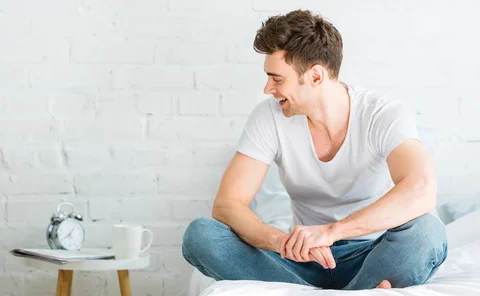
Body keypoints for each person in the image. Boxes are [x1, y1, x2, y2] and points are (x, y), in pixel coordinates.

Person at [181, 9, 447, 290]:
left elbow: (421, 188)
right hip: (301, 261)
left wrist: (331, 233)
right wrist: (283, 243)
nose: (268, 88)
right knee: (201, 235)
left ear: (316, 77)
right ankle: (357, 291)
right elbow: (227, 204)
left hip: (372, 254)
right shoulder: (268, 117)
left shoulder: (383, 114)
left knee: (426, 233)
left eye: (277, 78)